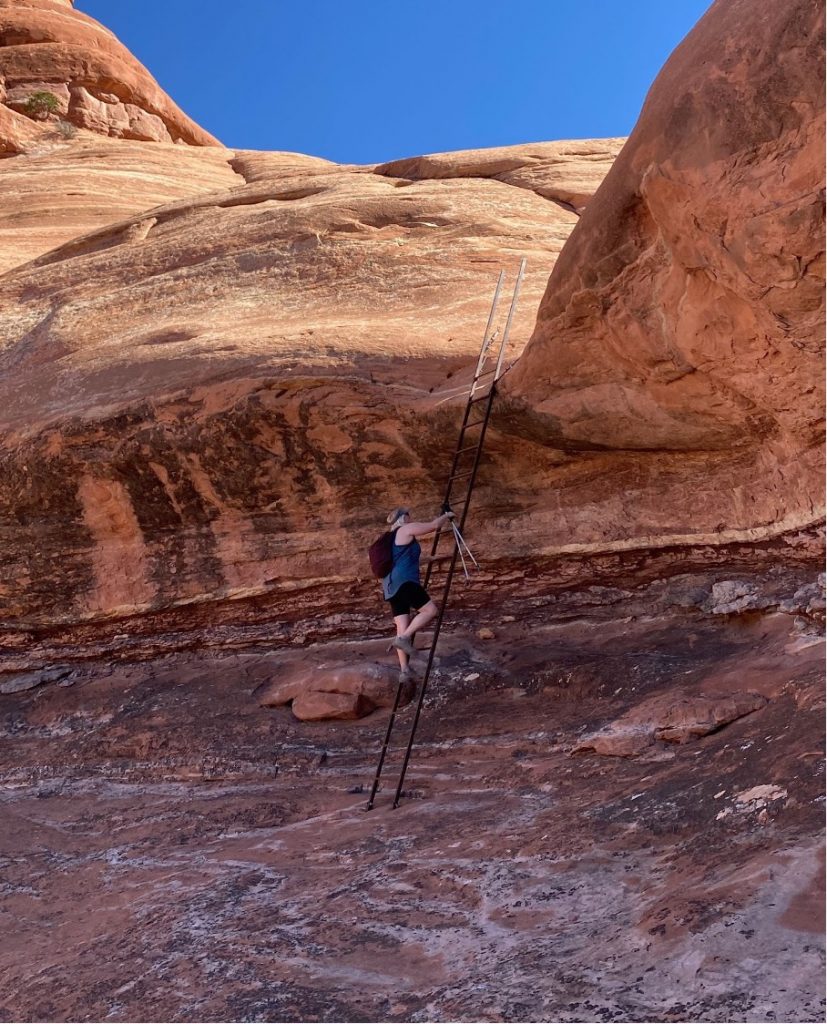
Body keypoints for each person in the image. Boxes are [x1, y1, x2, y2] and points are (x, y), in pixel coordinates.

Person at [382, 505, 455, 678]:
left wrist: (432, 559)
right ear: (404, 517)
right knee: (430, 610)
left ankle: (404, 671)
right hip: (405, 581)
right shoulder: (406, 529)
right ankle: (404, 639)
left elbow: (406, 559)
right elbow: (434, 526)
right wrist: (447, 515)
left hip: (390, 586)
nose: (410, 516)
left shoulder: (391, 539)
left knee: (401, 624)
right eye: (408, 514)